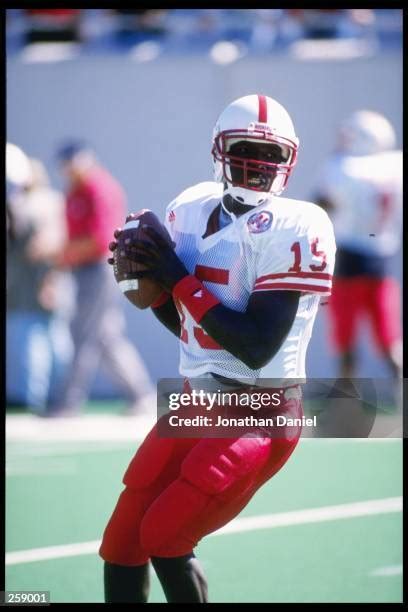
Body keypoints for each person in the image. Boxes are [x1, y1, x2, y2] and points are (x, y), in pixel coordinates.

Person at [100, 94, 336, 603]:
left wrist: (176, 279)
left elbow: (253, 347)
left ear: (289, 161)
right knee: (121, 541)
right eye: (246, 147)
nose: (258, 162)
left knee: (165, 534)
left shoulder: (298, 225)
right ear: (219, 151)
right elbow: (193, 327)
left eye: (271, 154)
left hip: (261, 409)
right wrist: (146, 285)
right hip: (196, 401)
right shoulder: (189, 207)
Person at [49, 141, 154, 416]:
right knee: (107, 337)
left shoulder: (100, 188)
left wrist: (61, 256)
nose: (68, 170)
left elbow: (100, 240)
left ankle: (67, 403)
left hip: (98, 269)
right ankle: (141, 395)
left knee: (82, 333)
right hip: (81, 270)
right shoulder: (74, 192)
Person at [313, 110, 402, 381]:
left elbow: (321, 203)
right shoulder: (395, 166)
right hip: (382, 260)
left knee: (346, 342)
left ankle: (346, 405)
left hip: (349, 259)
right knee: (390, 342)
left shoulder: (343, 168)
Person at [6, 144, 73, 413]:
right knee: (56, 340)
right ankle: (57, 395)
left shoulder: (30, 205)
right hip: (53, 282)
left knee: (33, 341)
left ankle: (30, 397)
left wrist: (49, 279)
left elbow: (45, 245)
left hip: (35, 285)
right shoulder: (57, 200)